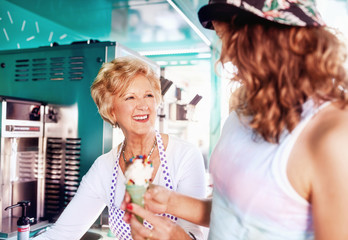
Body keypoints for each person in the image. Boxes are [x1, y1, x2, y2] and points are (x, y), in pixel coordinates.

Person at [122, 0, 348, 240]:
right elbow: (233, 211)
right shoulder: (242, 111)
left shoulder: (332, 137)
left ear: (273, 37)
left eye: (232, 38)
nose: (227, 56)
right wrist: (170, 202)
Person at [33, 56, 207, 240]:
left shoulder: (184, 155)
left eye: (148, 95)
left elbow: (194, 234)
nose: (143, 105)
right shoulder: (104, 168)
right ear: (112, 111)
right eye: (130, 97)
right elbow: (62, 234)